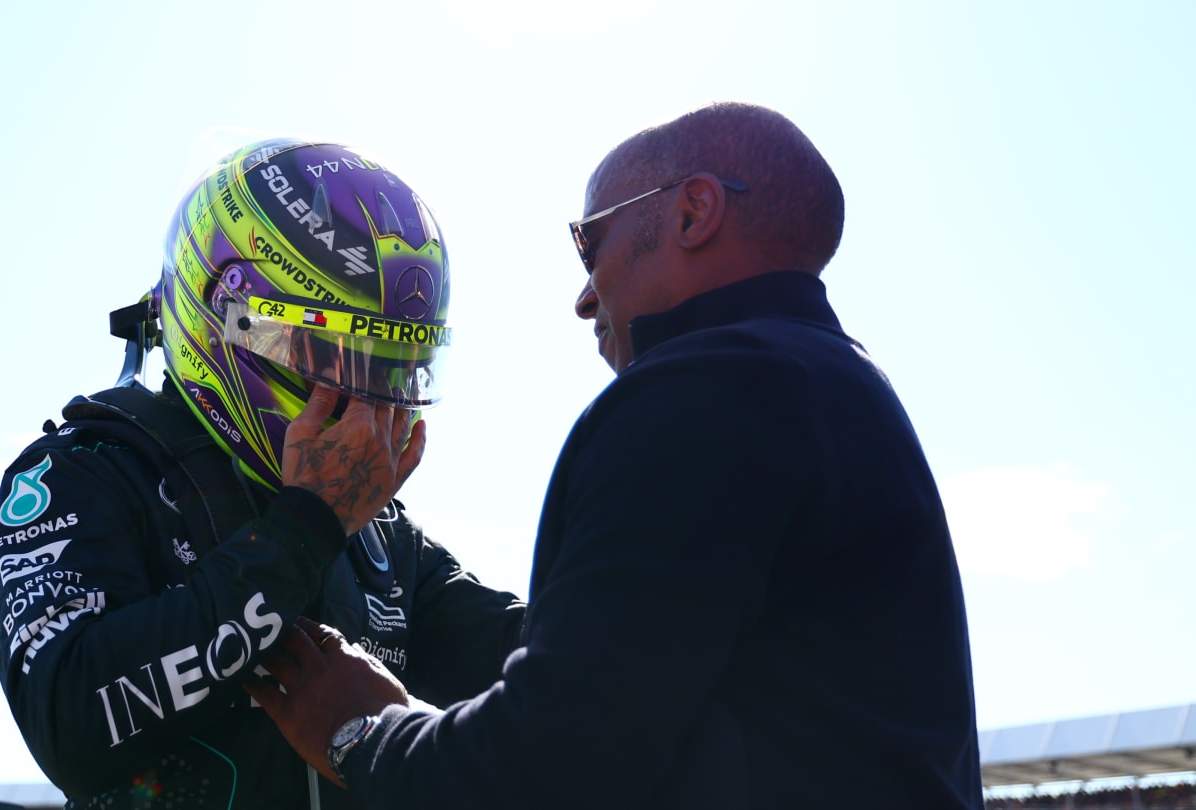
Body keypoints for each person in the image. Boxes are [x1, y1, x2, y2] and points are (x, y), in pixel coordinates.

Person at [245, 102, 985, 808]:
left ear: (692, 212)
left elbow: (549, 773)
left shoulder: (703, 390)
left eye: (588, 242)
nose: (584, 297)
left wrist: (361, 733)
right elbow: (643, 678)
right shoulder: (838, 387)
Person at [0, 137, 525, 810]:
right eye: (339, 359)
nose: (372, 405)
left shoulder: (380, 534)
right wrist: (303, 532)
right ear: (226, 318)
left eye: (392, 369)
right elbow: (68, 723)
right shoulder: (84, 474)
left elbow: (544, 668)